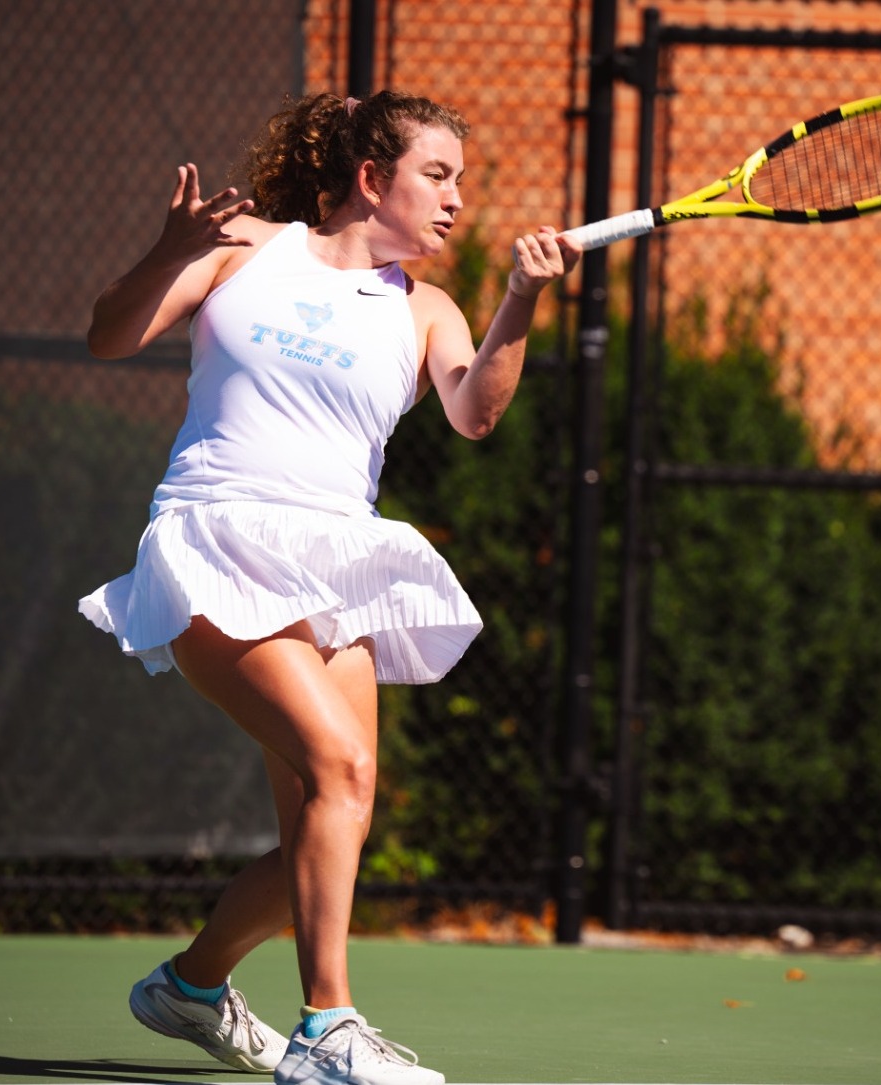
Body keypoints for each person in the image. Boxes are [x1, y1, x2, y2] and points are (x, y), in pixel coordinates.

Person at [78, 90, 578, 1085]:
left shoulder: (425, 307)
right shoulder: (241, 248)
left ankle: (190, 984)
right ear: (369, 179)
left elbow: (476, 412)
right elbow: (108, 336)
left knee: (333, 813)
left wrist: (519, 296)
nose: (456, 200)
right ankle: (327, 1028)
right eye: (437, 176)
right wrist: (168, 251)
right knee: (340, 768)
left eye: (461, 182)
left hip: (339, 560)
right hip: (215, 536)